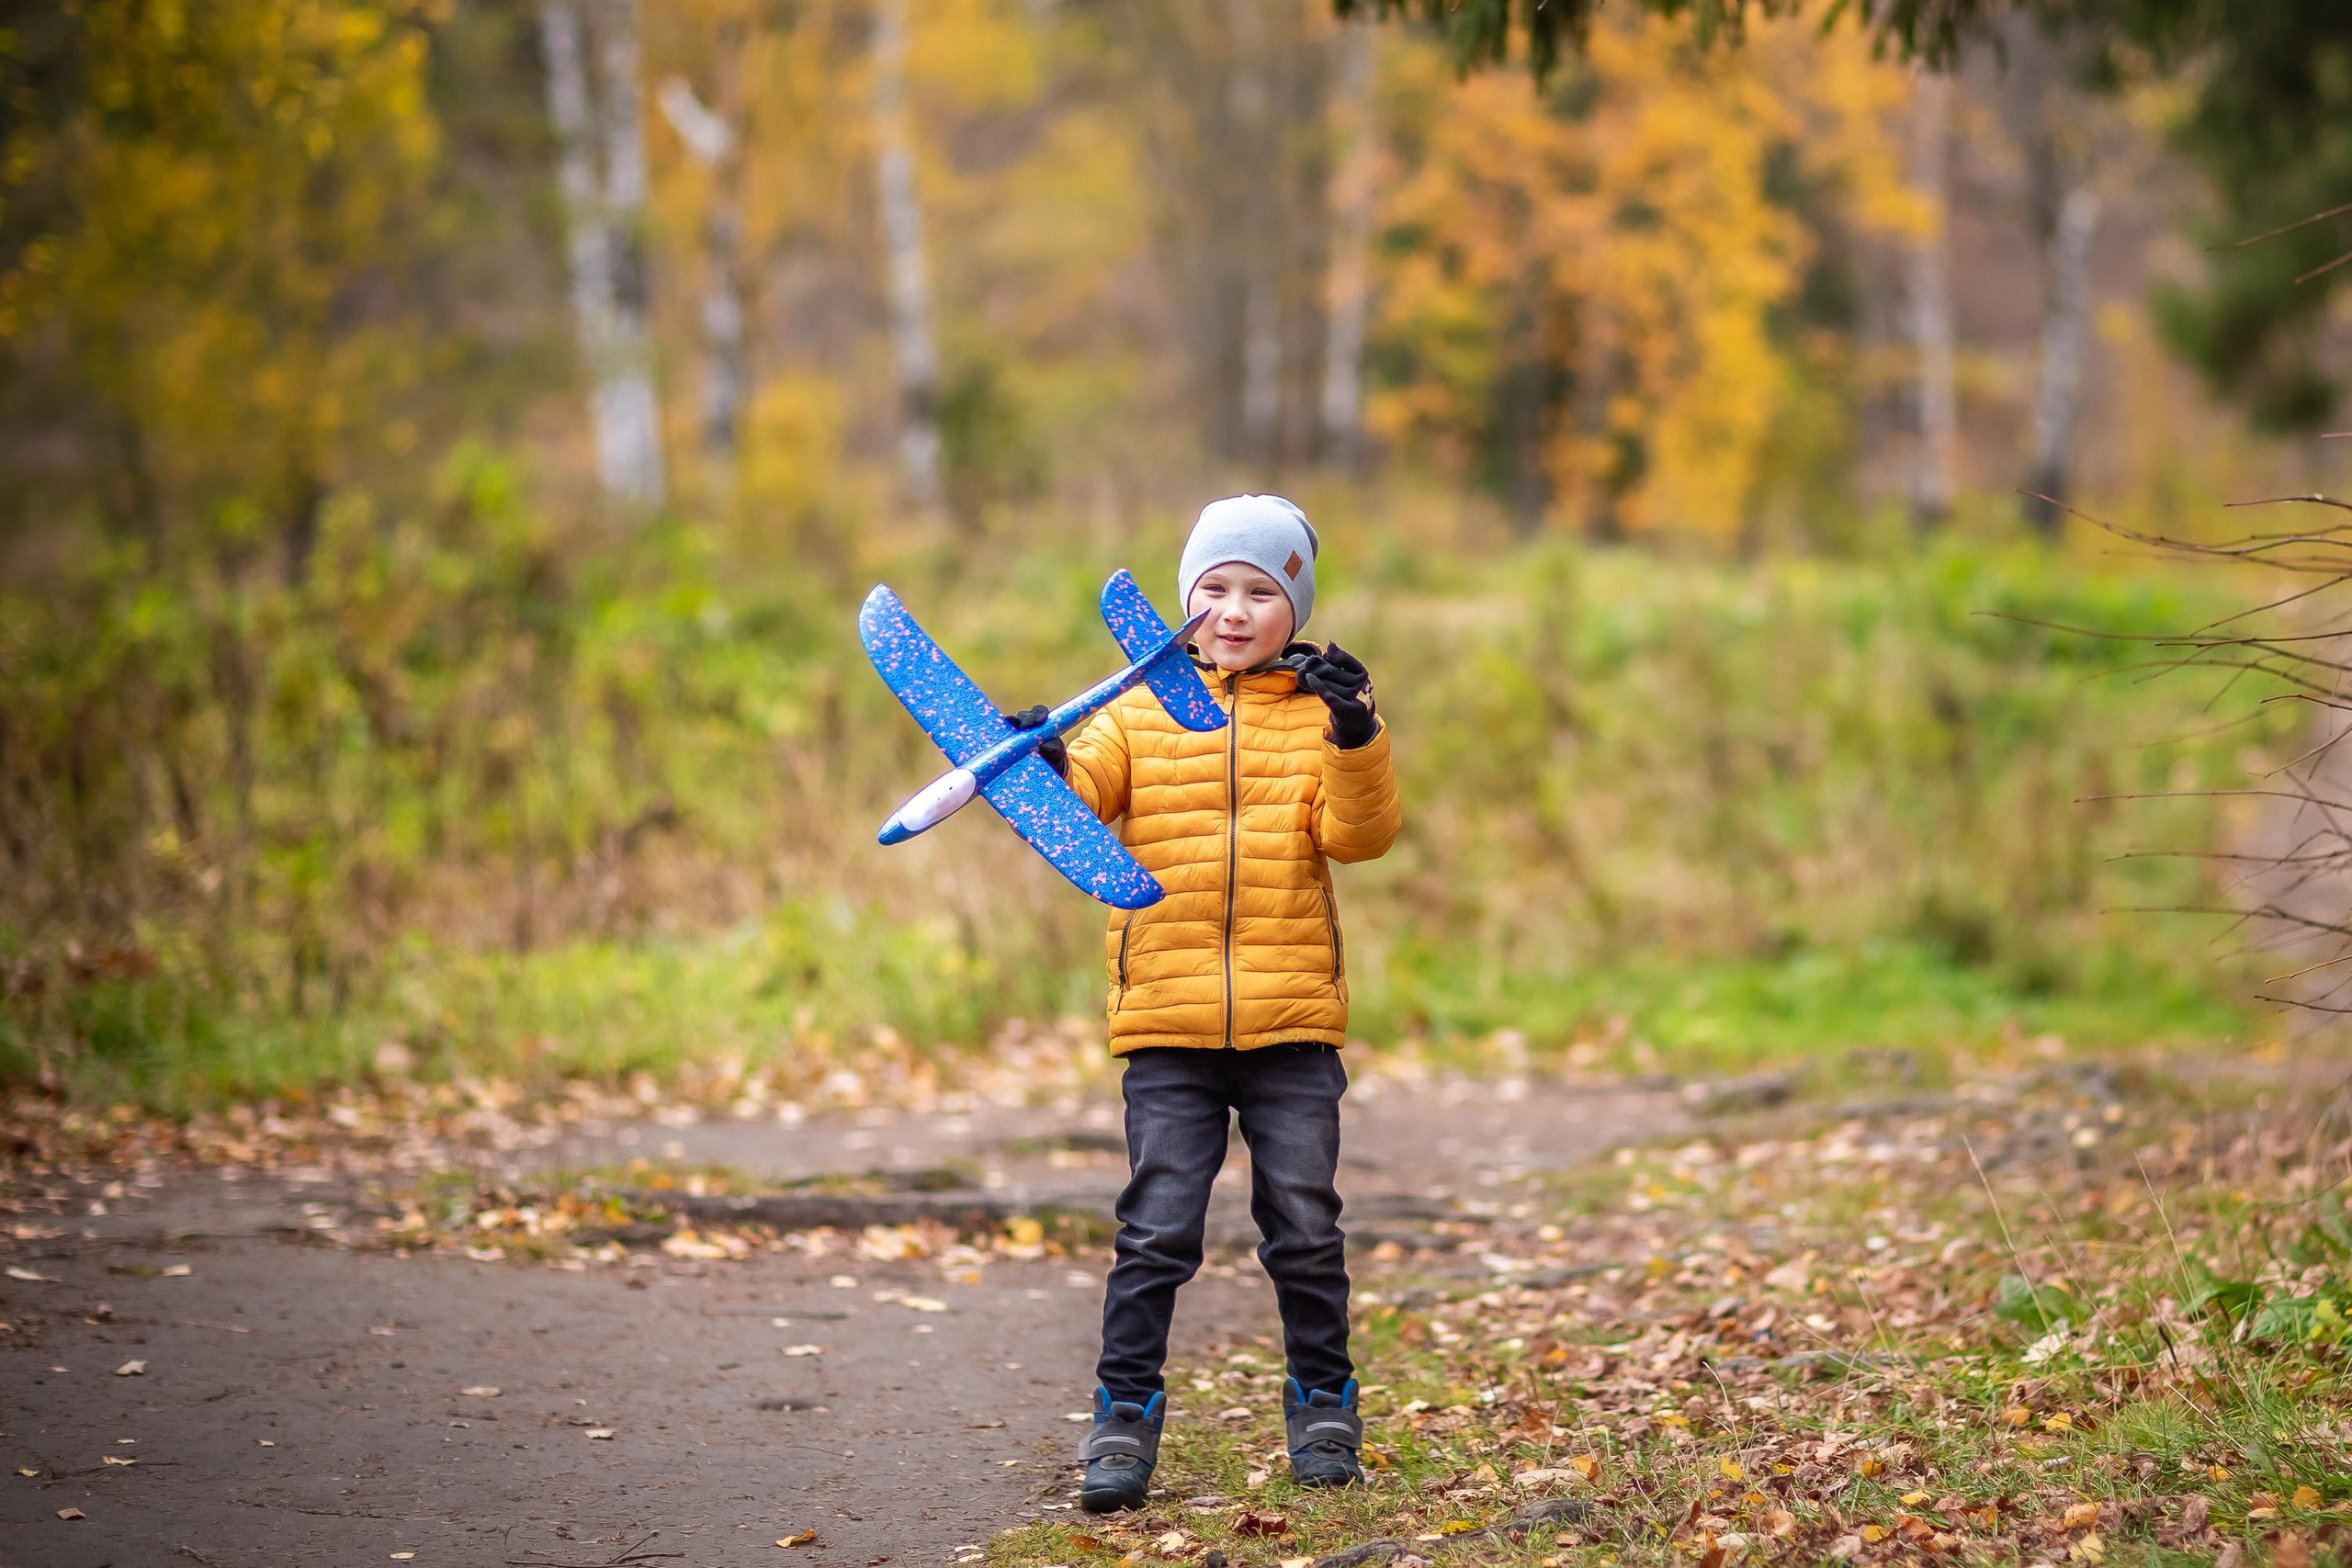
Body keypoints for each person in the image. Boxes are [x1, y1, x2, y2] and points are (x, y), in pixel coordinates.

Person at [1009, 494, 1400, 1513]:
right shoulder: (1135, 710)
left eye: (1260, 592)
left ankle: (1322, 1404)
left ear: (1294, 607)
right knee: (1156, 1232)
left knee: (1304, 1224)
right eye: (1213, 589)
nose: (1234, 610)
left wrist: (1357, 732)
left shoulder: (1322, 713)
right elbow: (1080, 804)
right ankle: (1121, 1418)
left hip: (1291, 1025)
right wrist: (1041, 763)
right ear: (1184, 602)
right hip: (1168, 1027)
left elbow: (1357, 837)